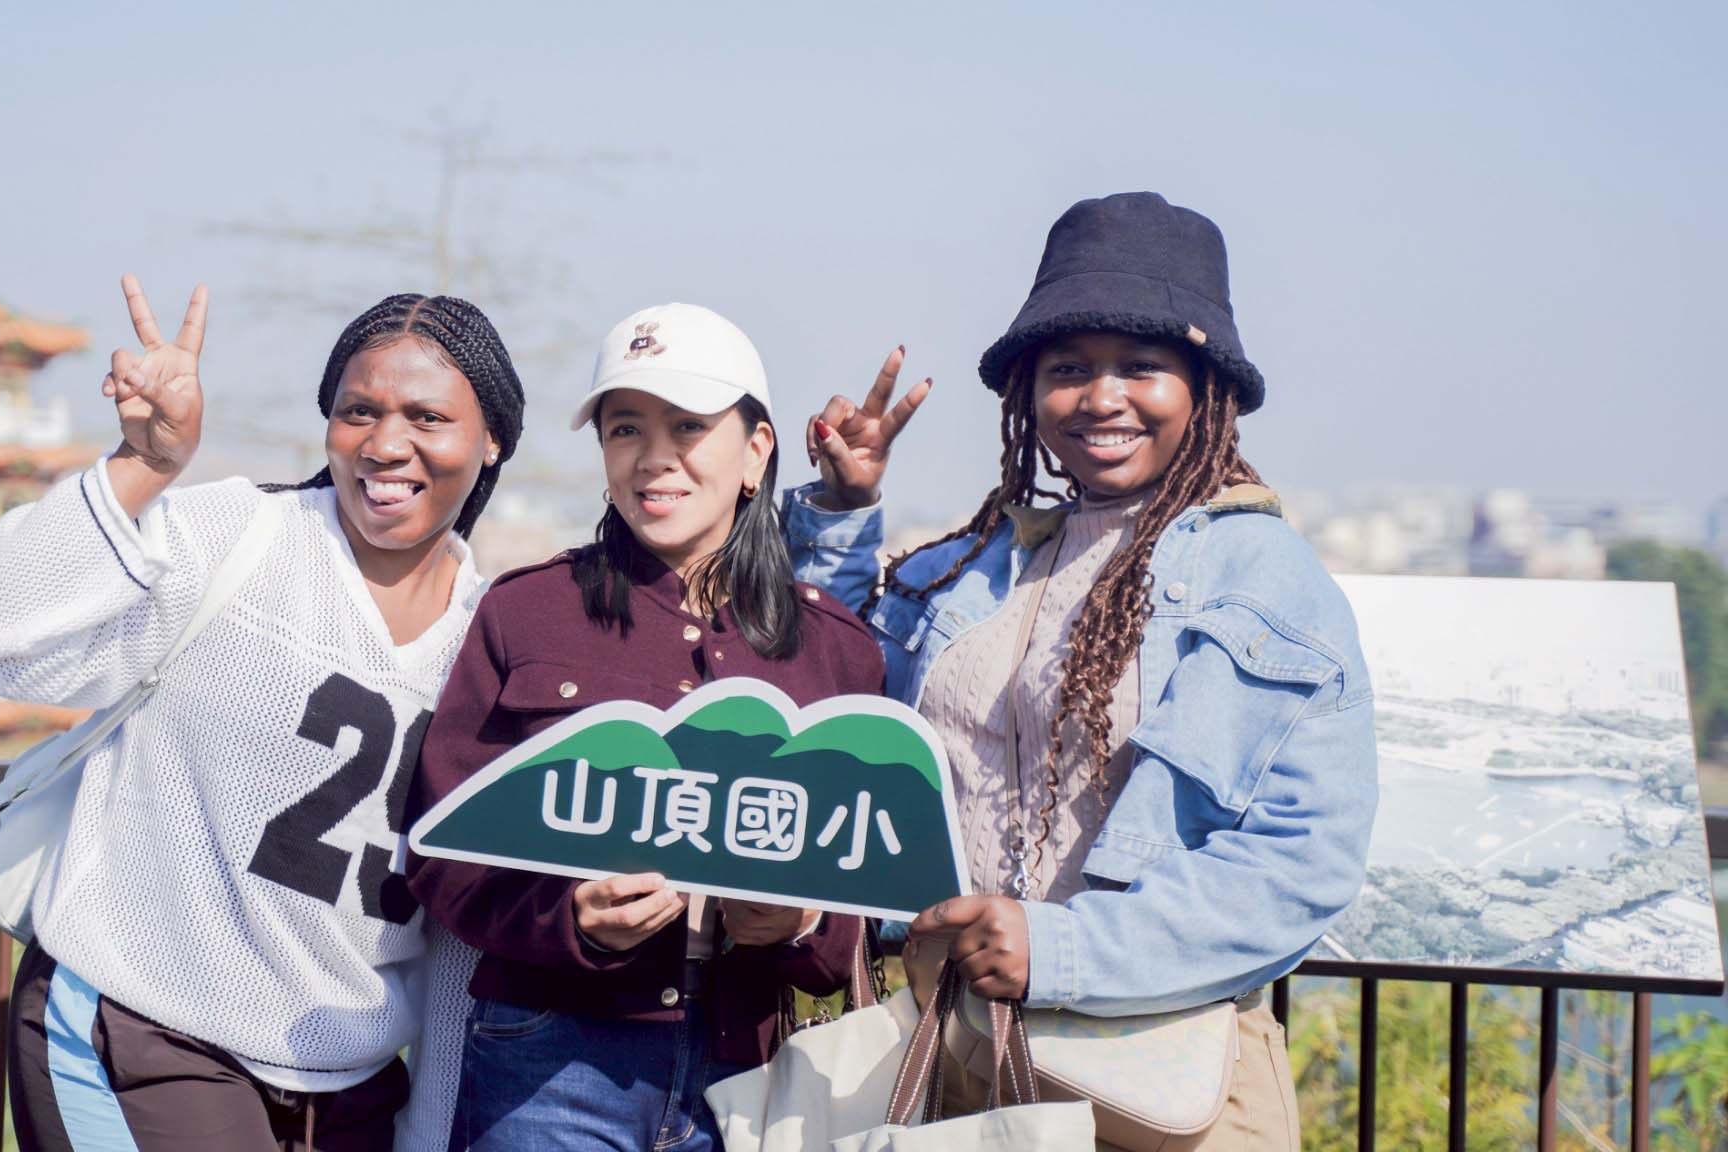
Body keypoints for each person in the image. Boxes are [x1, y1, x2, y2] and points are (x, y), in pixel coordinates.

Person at [785, 192, 1378, 1149]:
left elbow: (1300, 864)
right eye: (1069, 368)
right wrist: (843, 509)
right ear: (1029, 392)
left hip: (1167, 1083)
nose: (1102, 397)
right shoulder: (984, 564)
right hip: (960, 1056)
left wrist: (1060, 949)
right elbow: (836, 691)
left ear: (1205, 388)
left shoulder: (1263, 578)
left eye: (1141, 366)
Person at [0, 277, 525, 1152]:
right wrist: (143, 466)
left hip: (348, 1087)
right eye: (358, 412)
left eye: (427, 418)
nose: (384, 443)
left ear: (492, 441)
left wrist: (429, 1130)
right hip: (141, 1030)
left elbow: (455, 935)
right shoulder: (239, 537)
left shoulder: (493, 643)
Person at [405, 303, 886, 1152]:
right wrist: (571, 918)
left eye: (689, 426)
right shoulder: (528, 612)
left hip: (750, 1074)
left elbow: (866, 884)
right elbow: (442, 851)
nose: (654, 456)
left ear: (757, 452)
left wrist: (800, 926)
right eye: (625, 428)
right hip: (548, 1061)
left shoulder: (836, 650)